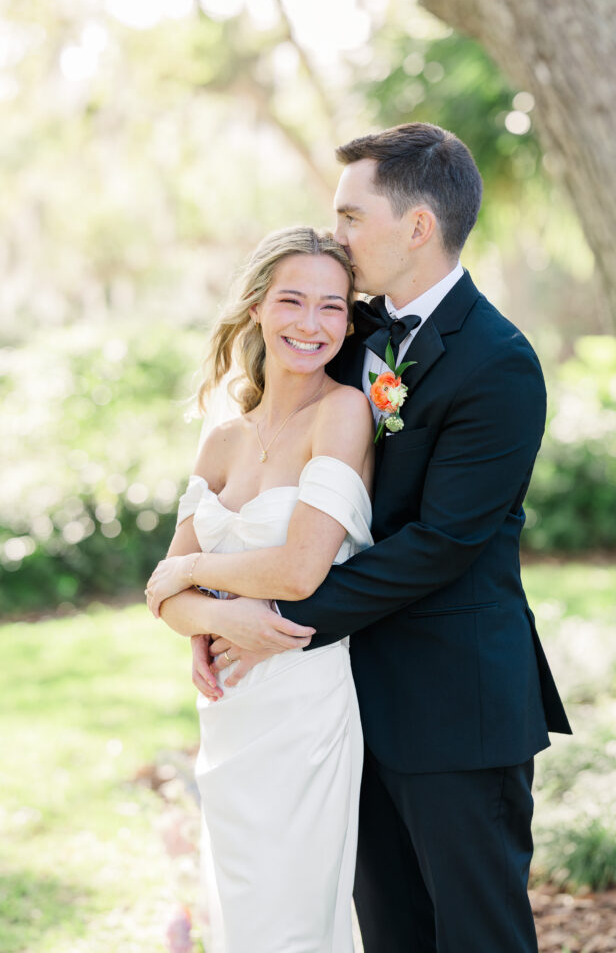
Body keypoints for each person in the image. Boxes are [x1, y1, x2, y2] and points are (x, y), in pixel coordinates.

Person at [150, 122, 572, 953]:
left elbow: (442, 543)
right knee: (389, 934)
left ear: (416, 226)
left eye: (350, 216)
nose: (335, 233)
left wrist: (270, 624)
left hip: (453, 706)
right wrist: (218, 611)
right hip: (344, 707)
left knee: (478, 935)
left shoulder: (498, 362)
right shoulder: (354, 332)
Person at [146, 225, 375, 953]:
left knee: (295, 919)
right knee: (244, 918)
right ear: (256, 308)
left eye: (332, 306)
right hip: (229, 713)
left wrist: (193, 577)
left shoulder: (342, 412)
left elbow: (300, 569)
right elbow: (163, 600)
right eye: (292, 301)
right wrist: (211, 616)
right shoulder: (222, 439)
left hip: (304, 704)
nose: (312, 323)